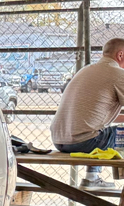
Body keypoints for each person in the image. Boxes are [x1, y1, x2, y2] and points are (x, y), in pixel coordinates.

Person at [51, 37, 124, 186]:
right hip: (84, 141)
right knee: (108, 134)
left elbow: (94, 115)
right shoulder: (117, 73)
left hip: (59, 140)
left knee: (102, 131)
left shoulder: (86, 70)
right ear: (121, 55)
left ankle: (92, 177)